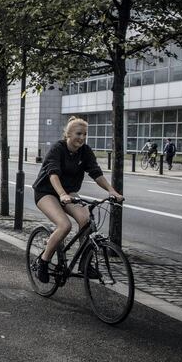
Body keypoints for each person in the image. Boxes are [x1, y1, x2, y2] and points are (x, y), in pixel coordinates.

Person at [31, 117, 124, 283]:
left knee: (86, 220)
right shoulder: (57, 149)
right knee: (64, 225)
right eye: (78, 134)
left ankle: (84, 264)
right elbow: (53, 174)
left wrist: (112, 191)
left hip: (69, 192)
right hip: (46, 192)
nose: (82, 138)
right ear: (68, 134)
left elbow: (96, 173)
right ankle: (43, 262)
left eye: (85, 134)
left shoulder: (85, 151)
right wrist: (62, 195)